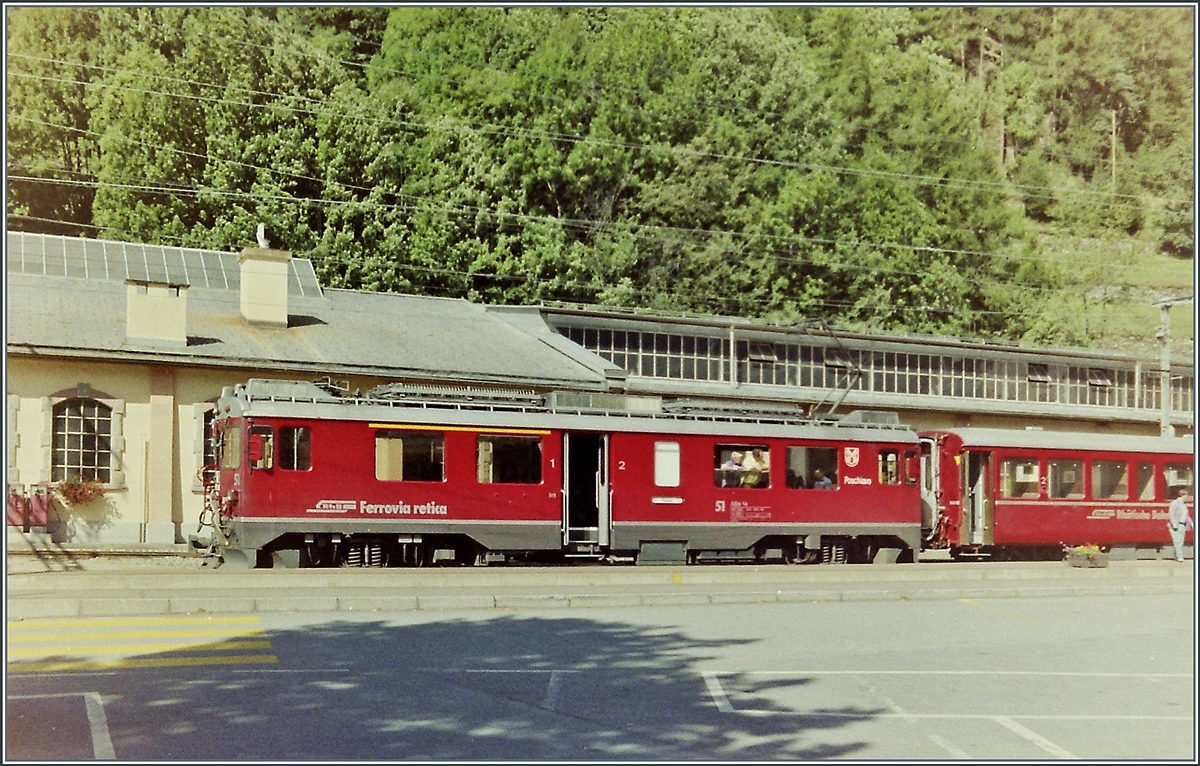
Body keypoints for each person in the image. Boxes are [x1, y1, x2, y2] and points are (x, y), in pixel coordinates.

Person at [1168, 486, 1192, 562]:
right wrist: (1174, 523)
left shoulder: (1183, 505)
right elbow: (1171, 514)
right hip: (1176, 525)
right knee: (1177, 541)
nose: (1187, 497)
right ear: (1183, 495)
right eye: (1186, 495)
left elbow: (1186, 516)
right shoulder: (1174, 503)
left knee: (1180, 542)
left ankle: (1176, 556)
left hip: (1183, 525)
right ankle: (1180, 557)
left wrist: (1191, 524)